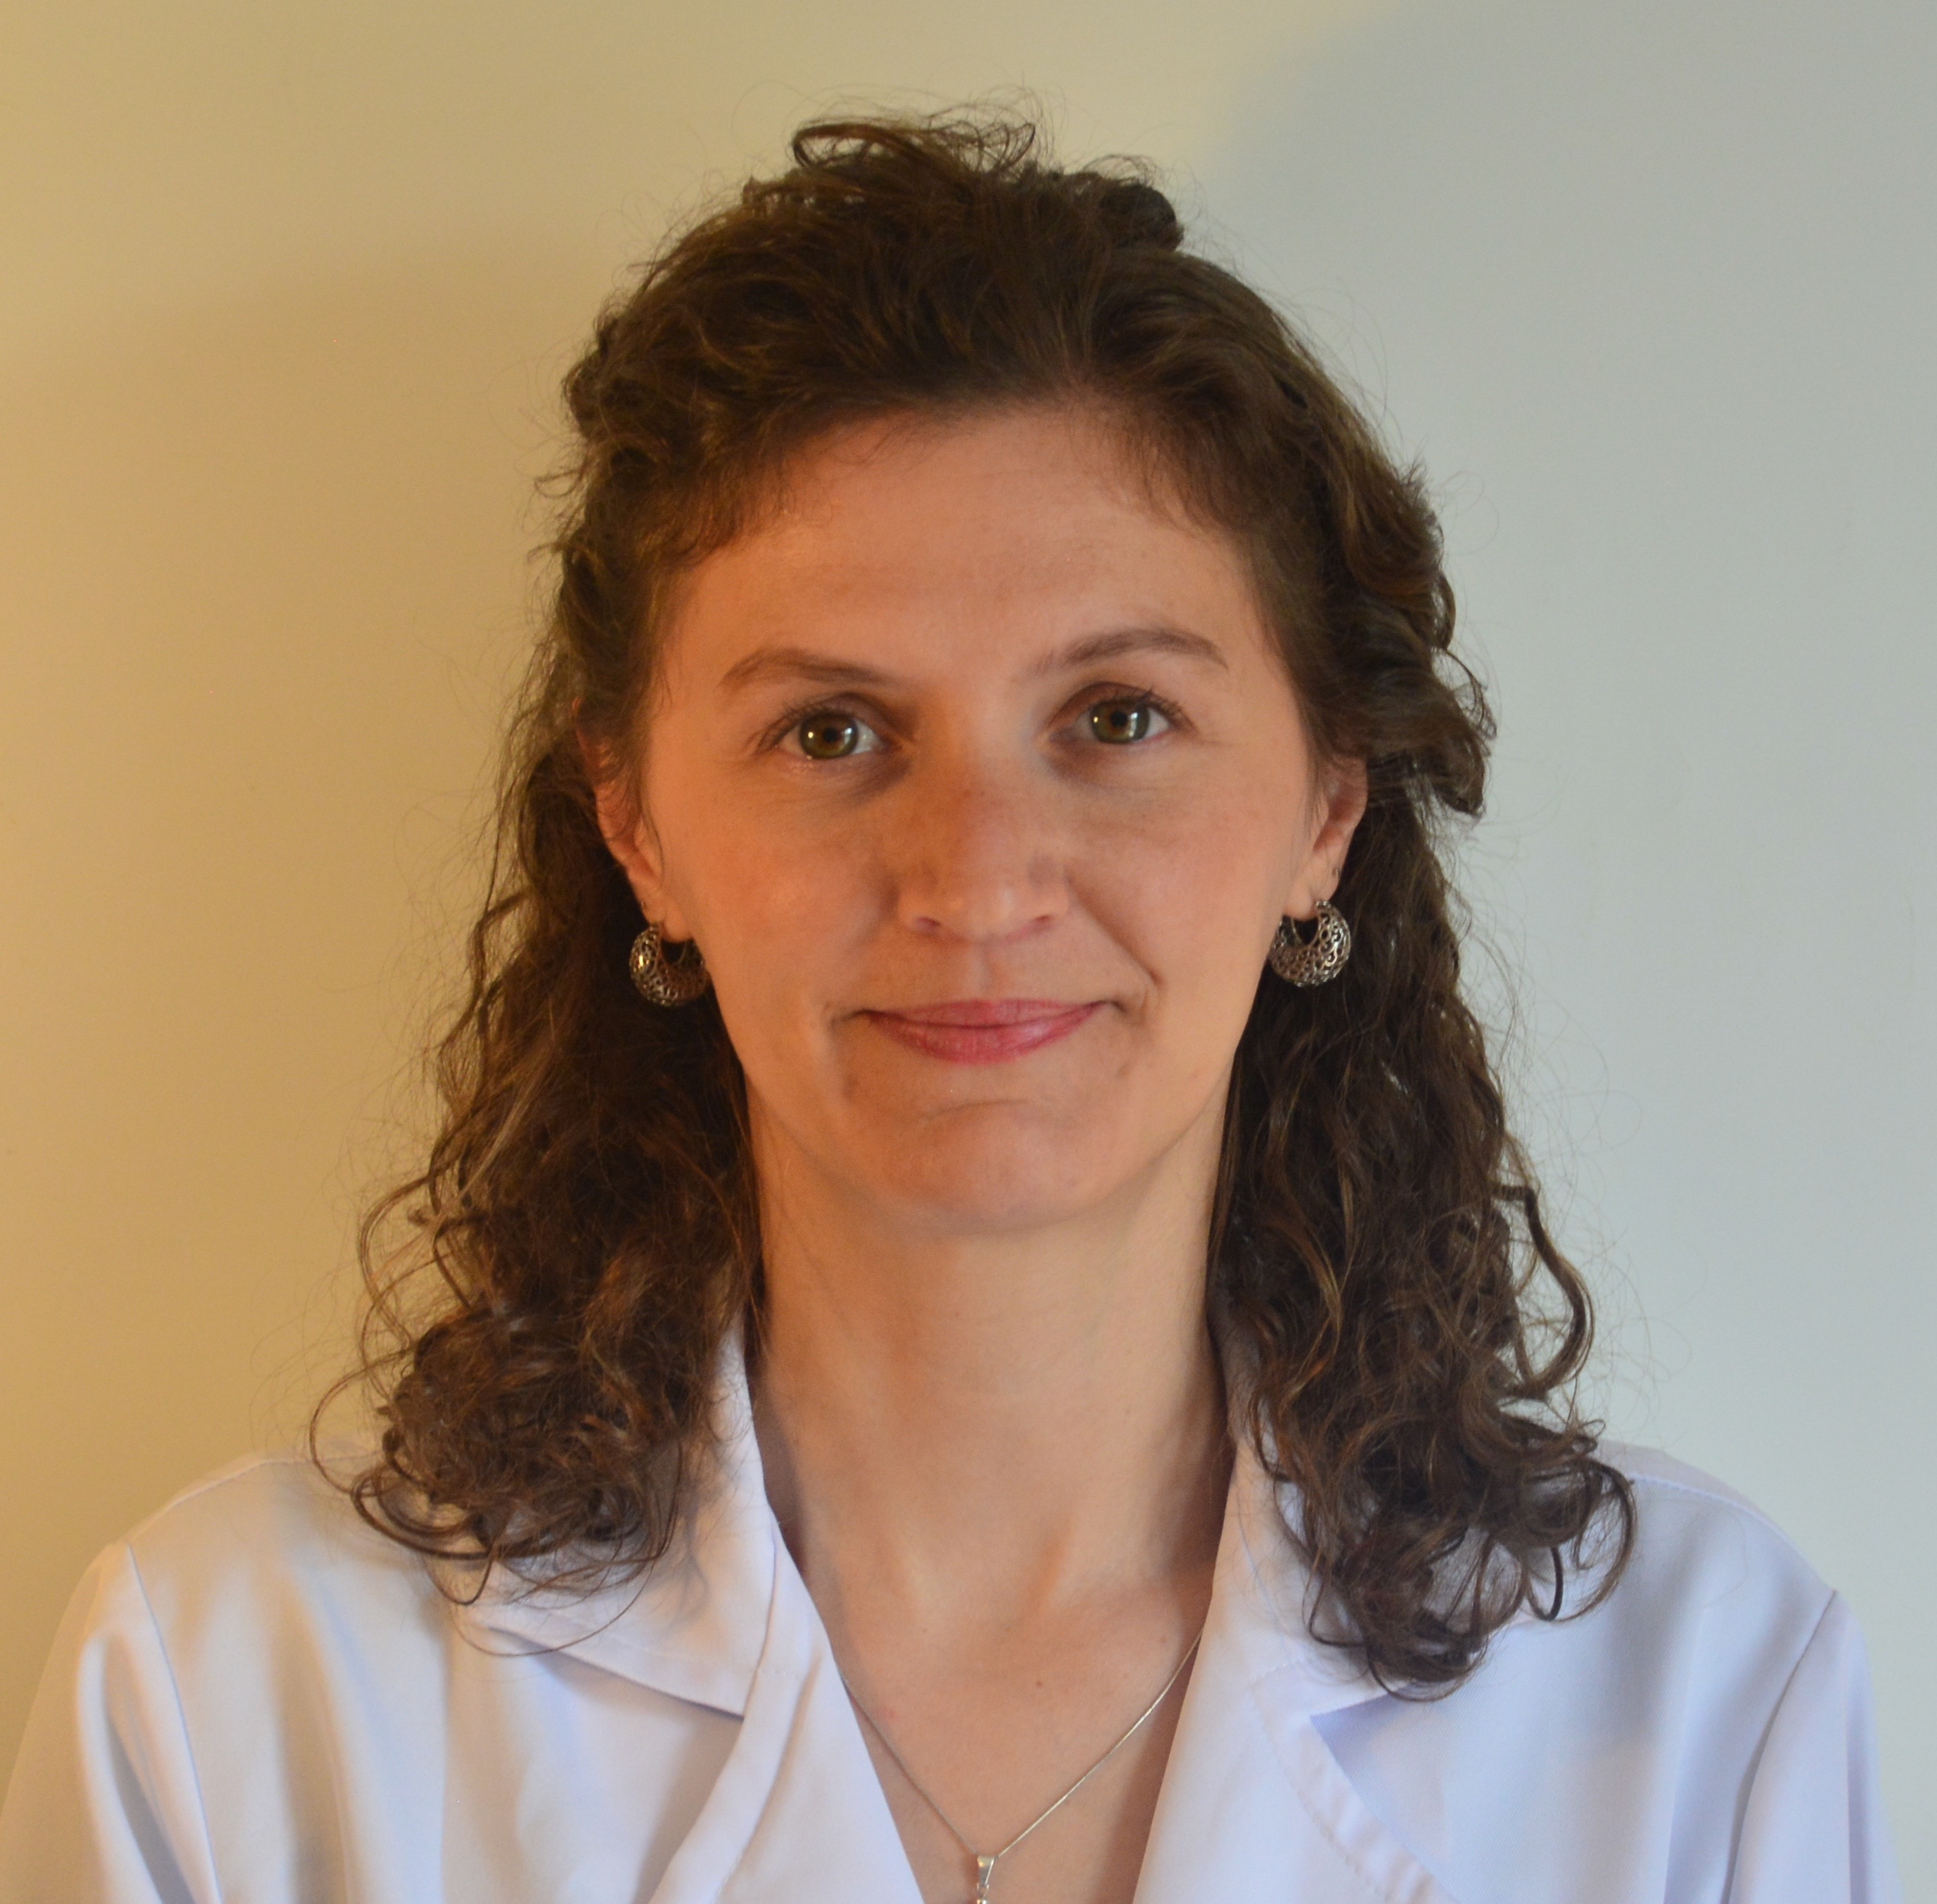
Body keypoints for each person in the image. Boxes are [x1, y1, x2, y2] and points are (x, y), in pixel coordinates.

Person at [0, 113, 1900, 1904]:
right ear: (638, 828)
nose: (979, 882)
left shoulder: (1702, 1703)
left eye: (1118, 718)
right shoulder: (234, 1699)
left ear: (1328, 809)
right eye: (832, 731)